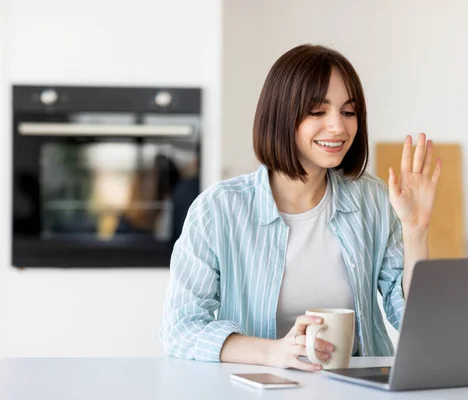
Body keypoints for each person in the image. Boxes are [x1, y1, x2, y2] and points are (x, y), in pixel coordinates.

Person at [158, 44, 441, 372]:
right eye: (318, 112)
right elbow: (181, 329)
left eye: (348, 112)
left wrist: (416, 229)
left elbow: (415, 319)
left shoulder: (374, 200)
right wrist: (273, 352)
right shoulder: (219, 209)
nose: (338, 127)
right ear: (281, 116)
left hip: (357, 388)